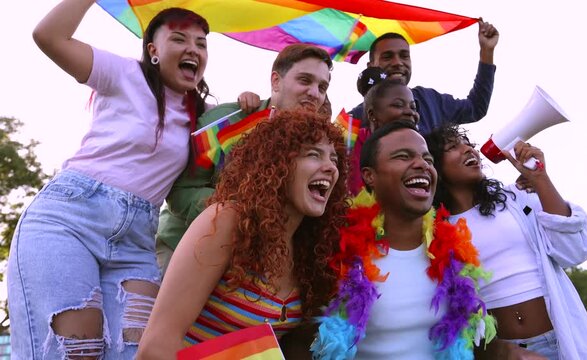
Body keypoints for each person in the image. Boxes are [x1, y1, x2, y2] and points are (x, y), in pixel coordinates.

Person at [7, 1, 210, 358]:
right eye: (179, 39)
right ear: (153, 51)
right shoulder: (123, 73)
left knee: (137, 352)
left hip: (136, 245)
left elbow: (256, 136)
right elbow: (48, 36)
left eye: (201, 43)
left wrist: (250, 103)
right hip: (69, 220)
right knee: (76, 350)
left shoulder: (204, 116)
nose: (193, 49)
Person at [137, 109, 348, 358]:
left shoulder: (309, 248)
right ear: (277, 164)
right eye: (314, 155)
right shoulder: (227, 222)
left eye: (334, 160)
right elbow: (155, 346)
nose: (330, 168)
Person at [311, 120, 495, 359]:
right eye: (403, 156)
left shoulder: (455, 253)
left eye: (428, 160)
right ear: (369, 176)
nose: (421, 164)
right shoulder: (338, 255)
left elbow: (472, 338)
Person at [424, 124, 587, 359]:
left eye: (470, 145)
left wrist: (540, 178)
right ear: (434, 165)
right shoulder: (435, 231)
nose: (469, 150)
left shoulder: (517, 199)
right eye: (453, 146)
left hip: (560, 340)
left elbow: (576, 251)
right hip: (504, 353)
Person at [155, 44, 333, 276]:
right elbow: (181, 190)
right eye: (304, 80)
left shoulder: (320, 145)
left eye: (322, 87)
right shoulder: (228, 121)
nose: (314, 93)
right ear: (276, 81)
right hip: (184, 245)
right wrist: (237, 213)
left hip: (253, 266)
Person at [349, 19, 499, 136]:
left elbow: (476, 108)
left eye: (404, 56)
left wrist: (487, 51)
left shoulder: (430, 100)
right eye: (387, 57)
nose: (398, 63)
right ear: (371, 66)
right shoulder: (353, 119)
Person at [348, 76, 419, 195]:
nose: (410, 112)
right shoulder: (351, 142)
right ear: (372, 114)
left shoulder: (420, 146)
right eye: (398, 105)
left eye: (413, 107)